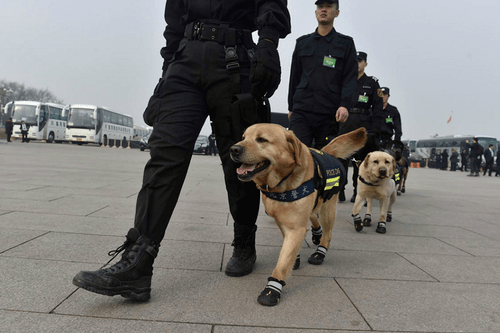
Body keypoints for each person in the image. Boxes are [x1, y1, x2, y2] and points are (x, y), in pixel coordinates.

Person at [72, 0, 291, 301]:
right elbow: (174, 21)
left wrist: (268, 44)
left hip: (235, 58)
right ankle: (138, 264)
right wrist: (166, 75)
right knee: (164, 154)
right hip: (185, 60)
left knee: (239, 161)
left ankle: (244, 240)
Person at [288, 0, 357, 151]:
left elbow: (349, 78)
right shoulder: (302, 43)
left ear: (337, 13)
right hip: (302, 110)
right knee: (297, 155)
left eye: (328, 7)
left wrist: (344, 105)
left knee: (325, 158)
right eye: (320, 7)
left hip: (328, 113)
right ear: (316, 12)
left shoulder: (345, 44)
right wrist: (291, 107)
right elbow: (295, 77)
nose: (323, 10)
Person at [338, 51, 383, 202]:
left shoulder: (372, 83)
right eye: (355, 61)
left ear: (366, 64)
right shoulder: (344, 80)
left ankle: (359, 191)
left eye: (360, 61)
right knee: (342, 159)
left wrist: (375, 130)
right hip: (345, 122)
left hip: (363, 123)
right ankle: (341, 188)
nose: (358, 64)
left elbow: (377, 107)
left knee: (361, 161)